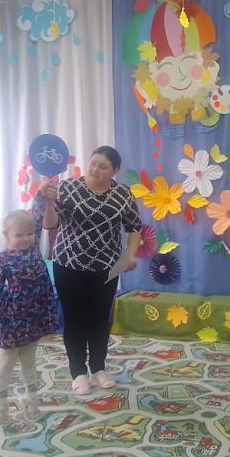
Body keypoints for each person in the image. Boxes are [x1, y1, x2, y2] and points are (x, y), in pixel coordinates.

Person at [38, 146, 142, 396]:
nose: (95, 169)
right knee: (75, 320)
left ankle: (98, 368)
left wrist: (130, 255)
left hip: (107, 266)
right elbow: (49, 224)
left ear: (114, 171)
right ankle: (78, 372)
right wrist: (49, 204)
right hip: (68, 263)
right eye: (93, 163)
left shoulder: (123, 194)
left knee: (99, 319)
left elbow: (134, 227)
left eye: (103, 166)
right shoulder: (67, 188)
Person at [0, 208, 58, 425]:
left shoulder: (34, 250)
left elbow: (38, 216)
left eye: (29, 233)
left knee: (29, 360)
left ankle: (32, 402)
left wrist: (42, 195)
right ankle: (1, 405)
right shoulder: (2, 258)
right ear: (6, 235)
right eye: (19, 234)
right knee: (7, 361)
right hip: (13, 318)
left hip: (35, 316)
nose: (26, 238)